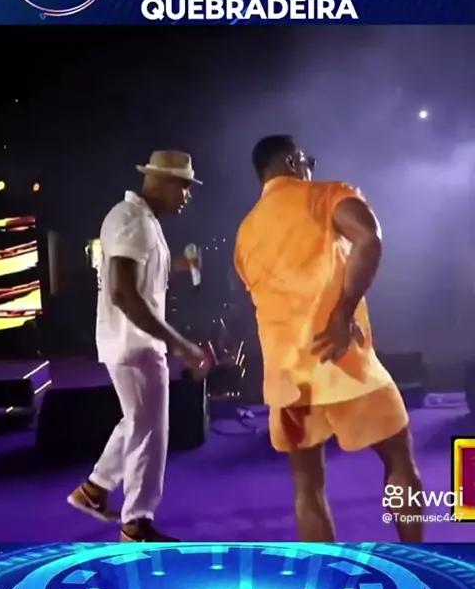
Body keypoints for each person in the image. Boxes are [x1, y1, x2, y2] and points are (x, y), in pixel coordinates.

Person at [234, 135, 423, 543]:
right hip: (343, 363)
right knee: (399, 459)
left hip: (288, 380)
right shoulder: (325, 195)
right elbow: (369, 237)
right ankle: (419, 566)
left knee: (308, 487)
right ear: (292, 161)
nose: (310, 168)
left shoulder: (245, 232)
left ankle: (325, 575)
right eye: (308, 161)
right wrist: (342, 314)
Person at [68, 150, 209, 543]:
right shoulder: (134, 221)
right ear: (161, 181)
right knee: (151, 431)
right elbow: (123, 292)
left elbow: (138, 278)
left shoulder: (137, 219)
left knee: (139, 421)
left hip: (130, 342)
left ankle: (94, 489)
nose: (187, 195)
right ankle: (136, 523)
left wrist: (179, 264)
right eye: (183, 186)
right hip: (135, 344)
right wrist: (178, 343)